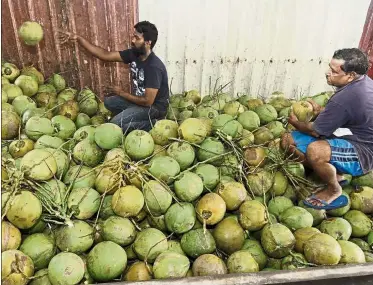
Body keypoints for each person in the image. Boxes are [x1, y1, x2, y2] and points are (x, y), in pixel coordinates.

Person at [281, 48, 373, 210]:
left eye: (333, 71)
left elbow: (315, 131)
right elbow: (348, 114)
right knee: (288, 140)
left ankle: (333, 190)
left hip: (363, 151)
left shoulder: (346, 97)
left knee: (315, 151)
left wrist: (295, 123)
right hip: (349, 134)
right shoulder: (362, 82)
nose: (327, 73)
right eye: (329, 67)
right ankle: (335, 175)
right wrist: (322, 112)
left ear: (350, 75)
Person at [58, 21, 169, 132]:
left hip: (154, 108)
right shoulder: (134, 54)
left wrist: (121, 92)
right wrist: (79, 38)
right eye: (133, 37)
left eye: (137, 38)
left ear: (148, 42)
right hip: (141, 104)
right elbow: (105, 55)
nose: (133, 40)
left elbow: (147, 101)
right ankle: (133, 116)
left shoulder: (154, 67)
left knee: (114, 125)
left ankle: (154, 123)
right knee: (109, 102)